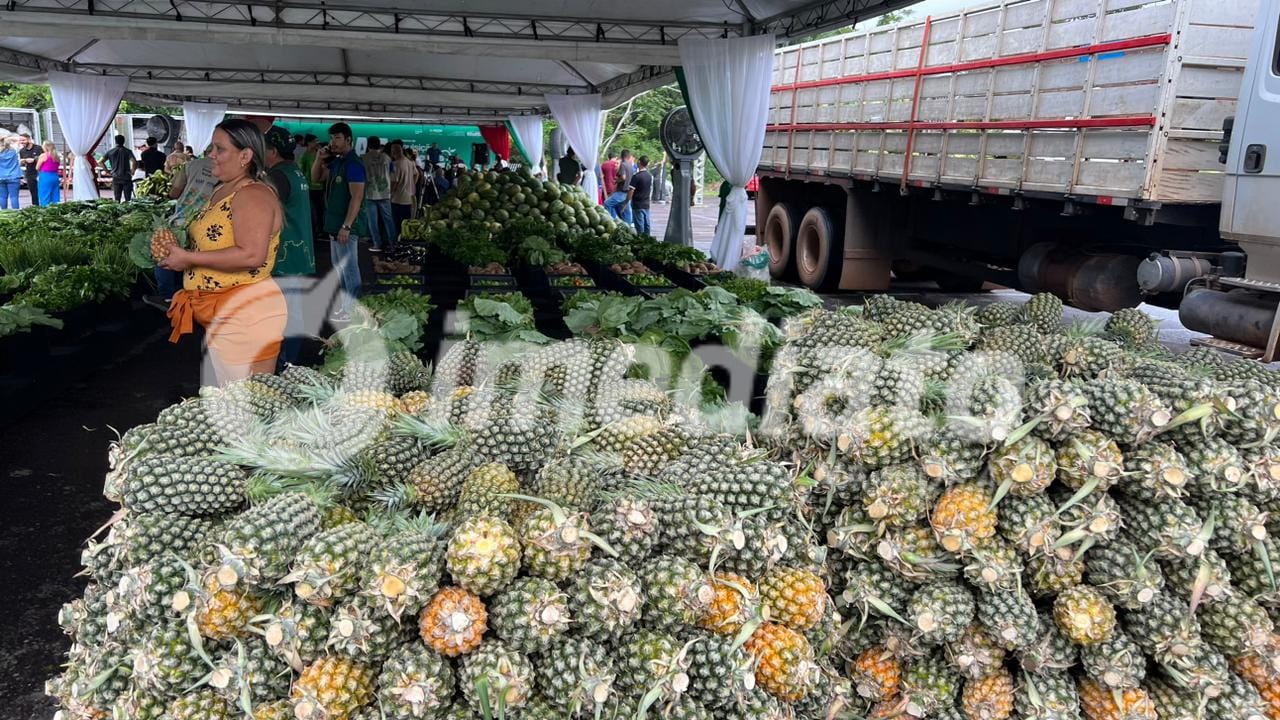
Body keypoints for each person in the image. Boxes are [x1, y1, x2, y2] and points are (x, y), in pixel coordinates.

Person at [158, 118, 287, 385]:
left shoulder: (252, 195)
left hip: (246, 314)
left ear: (245, 156)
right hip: (226, 313)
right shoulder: (222, 190)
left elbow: (252, 255)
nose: (211, 155)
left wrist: (188, 258)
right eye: (211, 148)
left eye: (220, 149)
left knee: (246, 400)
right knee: (233, 396)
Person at [262, 126, 316, 369]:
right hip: (298, 252)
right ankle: (287, 362)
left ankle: (285, 365)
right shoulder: (295, 172)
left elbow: (265, 214)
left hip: (284, 255)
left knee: (284, 314)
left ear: (273, 151)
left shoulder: (277, 176)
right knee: (292, 311)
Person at [145, 147, 217, 310]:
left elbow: (174, 192)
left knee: (165, 253)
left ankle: (168, 297)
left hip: (184, 218)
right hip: (210, 221)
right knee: (198, 258)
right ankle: (192, 294)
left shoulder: (191, 165)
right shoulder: (230, 170)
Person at [310, 122, 368, 321]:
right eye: (331, 138)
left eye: (337, 138)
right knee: (339, 266)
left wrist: (347, 226)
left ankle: (354, 310)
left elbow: (357, 197)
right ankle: (346, 307)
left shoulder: (353, 164)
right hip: (335, 225)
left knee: (349, 267)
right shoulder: (338, 162)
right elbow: (316, 177)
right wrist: (319, 158)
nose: (333, 142)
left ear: (348, 139)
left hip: (346, 227)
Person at [361, 136, 395, 251]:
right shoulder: (386, 157)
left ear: (368, 145)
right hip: (385, 193)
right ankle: (393, 244)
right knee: (389, 220)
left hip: (370, 193)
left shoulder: (363, 158)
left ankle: (377, 244)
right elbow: (392, 173)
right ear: (379, 145)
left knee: (372, 221)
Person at [298, 134, 324, 236]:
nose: (317, 143)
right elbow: (301, 171)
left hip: (321, 187)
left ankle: (321, 230)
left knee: (320, 210)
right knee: (312, 211)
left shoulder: (320, 154)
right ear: (309, 143)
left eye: (317, 141)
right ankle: (313, 231)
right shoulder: (305, 155)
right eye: (315, 141)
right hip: (310, 188)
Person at [389, 141, 416, 233]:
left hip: (397, 200)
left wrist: (389, 194)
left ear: (393, 151)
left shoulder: (395, 164)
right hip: (408, 199)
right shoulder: (410, 162)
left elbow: (394, 182)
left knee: (397, 227)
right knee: (406, 227)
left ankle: (397, 241)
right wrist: (412, 186)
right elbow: (416, 174)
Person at [104, 135, 138, 202]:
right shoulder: (128, 151)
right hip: (126, 177)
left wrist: (107, 171)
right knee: (128, 198)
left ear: (115, 141)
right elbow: (134, 162)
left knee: (117, 198)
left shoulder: (110, 152)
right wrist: (132, 171)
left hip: (115, 177)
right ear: (124, 141)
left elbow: (100, 162)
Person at [629, 155, 654, 236]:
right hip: (646, 203)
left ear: (639, 162)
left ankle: (641, 239)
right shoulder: (649, 176)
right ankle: (648, 239)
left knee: (639, 225)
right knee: (647, 224)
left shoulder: (636, 176)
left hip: (637, 204)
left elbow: (631, 191)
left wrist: (627, 201)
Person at [17, 134, 40, 207]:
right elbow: (23, 163)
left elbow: (44, 158)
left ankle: (44, 207)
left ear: (29, 140)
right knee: (33, 192)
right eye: (20, 140)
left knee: (42, 191)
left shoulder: (38, 148)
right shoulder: (22, 151)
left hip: (39, 173)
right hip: (29, 173)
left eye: (23, 140)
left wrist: (34, 160)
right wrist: (23, 161)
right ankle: (35, 207)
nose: (22, 142)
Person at [36, 141, 61, 205]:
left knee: (45, 196)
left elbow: (37, 167)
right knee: (55, 196)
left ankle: (45, 209)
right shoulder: (57, 156)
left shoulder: (44, 155)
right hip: (55, 176)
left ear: (45, 147)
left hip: (45, 176)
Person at [0, 137, 21, 209]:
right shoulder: (14, 150)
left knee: (2, 197)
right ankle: (16, 212)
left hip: (1, 176)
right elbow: (18, 140)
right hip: (14, 176)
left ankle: (4, 212)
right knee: (14, 197)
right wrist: (6, 137)